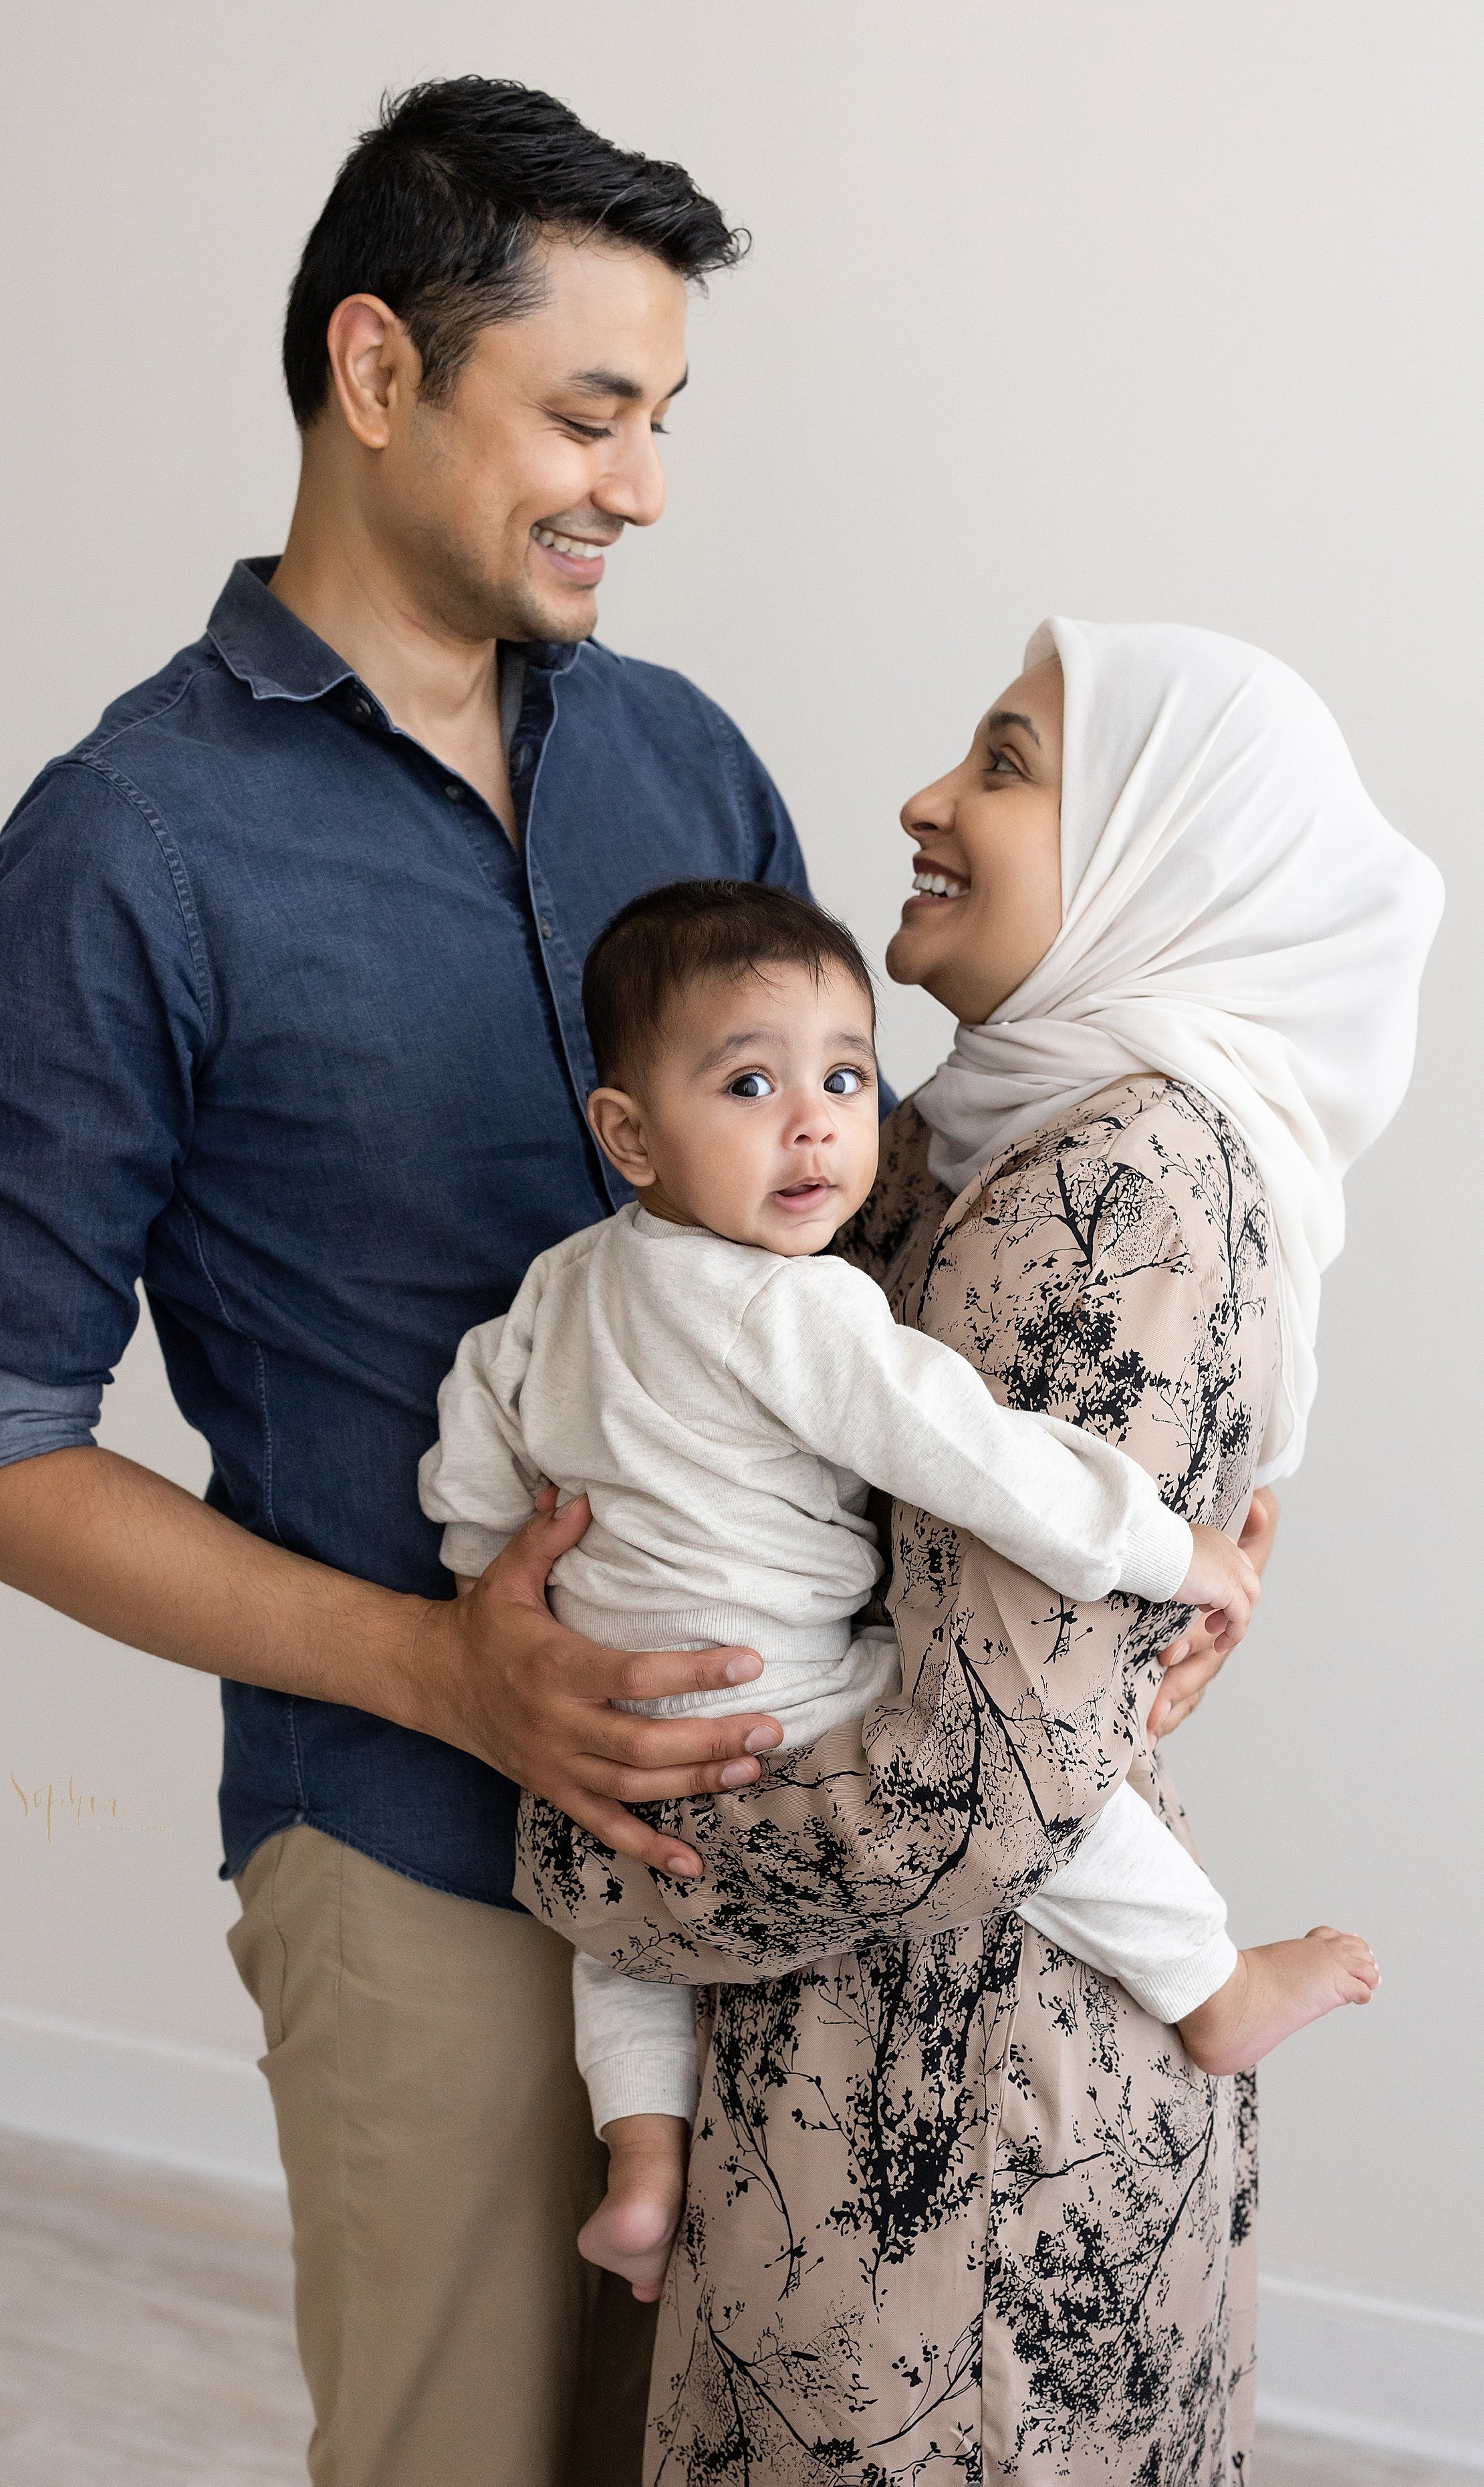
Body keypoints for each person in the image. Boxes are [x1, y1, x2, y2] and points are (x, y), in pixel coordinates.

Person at [0, 77, 830, 2487]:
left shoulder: (689, 763)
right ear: (379, 369)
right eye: (589, 414)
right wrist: (439, 1665)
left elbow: (841, 1234)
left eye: (662, 420)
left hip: (778, 1822)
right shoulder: (125, 851)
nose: (641, 484)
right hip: (409, 1853)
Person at [519, 620, 1441, 2480]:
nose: (923, 801)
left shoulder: (1117, 1188)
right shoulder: (962, 1137)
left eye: (1008, 763)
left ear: (1152, 849)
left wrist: (582, 1841)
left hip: (962, 2130)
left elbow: (972, 1779)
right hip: (902, 2078)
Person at [418, 877, 1372, 2306]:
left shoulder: (554, 1292)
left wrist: (496, 1598)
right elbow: (976, 1457)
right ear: (626, 1134)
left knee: (622, 1937)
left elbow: (470, 1473)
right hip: (778, 1700)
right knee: (1046, 1780)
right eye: (749, 1083)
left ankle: (641, 2169)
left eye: (845, 1077)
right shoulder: (794, 1309)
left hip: (600, 1713)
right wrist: (1174, 1552)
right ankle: (1207, 1986)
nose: (812, 1123)